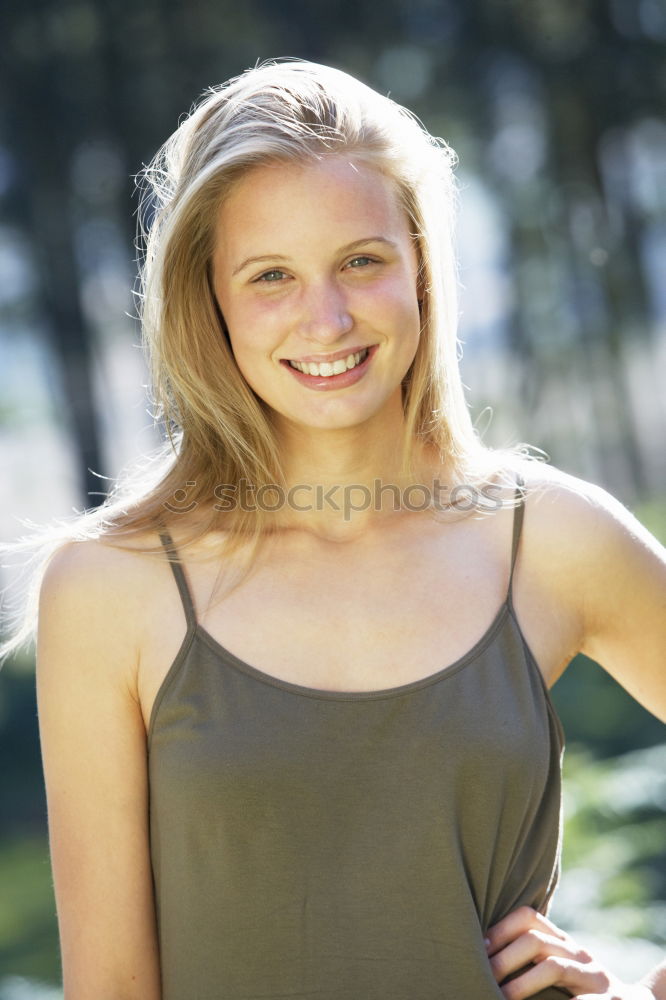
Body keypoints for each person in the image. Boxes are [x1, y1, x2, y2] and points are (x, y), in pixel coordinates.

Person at [2, 58, 665, 1000]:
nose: (327, 319)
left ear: (423, 269)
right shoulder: (112, 585)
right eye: (271, 276)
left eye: (362, 260)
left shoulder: (546, 539)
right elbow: (109, 987)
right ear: (211, 302)